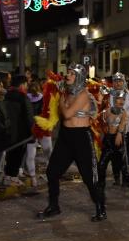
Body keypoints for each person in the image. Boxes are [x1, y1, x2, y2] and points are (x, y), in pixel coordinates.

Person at [39, 64, 103, 221]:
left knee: (89, 177)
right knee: (52, 172)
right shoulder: (66, 92)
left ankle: (100, 208)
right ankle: (54, 206)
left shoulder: (83, 95)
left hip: (81, 137)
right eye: (67, 73)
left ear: (79, 77)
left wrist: (61, 100)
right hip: (65, 137)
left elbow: (67, 114)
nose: (67, 76)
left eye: (71, 74)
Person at [98, 90, 129, 213]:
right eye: (118, 100)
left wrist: (120, 134)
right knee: (101, 167)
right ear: (113, 101)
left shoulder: (125, 113)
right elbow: (100, 124)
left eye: (123, 100)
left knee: (125, 168)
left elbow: (122, 126)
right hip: (108, 142)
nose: (121, 102)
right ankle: (100, 193)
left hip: (119, 143)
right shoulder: (106, 112)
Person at [2, 75, 35, 186]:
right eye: (26, 84)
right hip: (21, 132)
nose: (27, 86)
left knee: (10, 154)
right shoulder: (23, 97)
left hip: (9, 130)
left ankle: (8, 176)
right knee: (18, 155)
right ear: (22, 84)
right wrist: (33, 131)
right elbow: (29, 116)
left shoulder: (6, 95)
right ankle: (13, 177)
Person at [26, 80, 52, 188]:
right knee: (49, 153)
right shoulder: (45, 99)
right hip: (43, 128)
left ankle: (33, 178)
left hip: (30, 129)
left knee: (30, 155)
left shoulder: (25, 99)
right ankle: (50, 175)